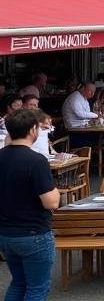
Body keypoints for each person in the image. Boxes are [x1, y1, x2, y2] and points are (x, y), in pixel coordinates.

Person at [0, 108, 61, 301]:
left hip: (6, 232)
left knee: (18, 283)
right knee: (37, 288)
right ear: (33, 130)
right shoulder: (35, 160)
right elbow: (51, 202)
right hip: (34, 232)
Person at [61, 83, 98, 148]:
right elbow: (79, 114)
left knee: (100, 137)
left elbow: (87, 114)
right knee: (96, 137)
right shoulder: (74, 98)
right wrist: (96, 115)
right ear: (83, 88)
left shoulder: (84, 98)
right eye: (90, 91)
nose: (92, 94)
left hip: (82, 128)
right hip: (74, 130)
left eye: (94, 92)